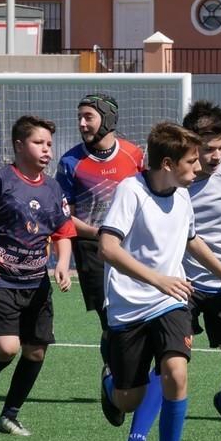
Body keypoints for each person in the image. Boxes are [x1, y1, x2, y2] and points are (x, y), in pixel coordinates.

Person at [97, 122, 221, 441]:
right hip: (128, 307)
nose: (199, 168)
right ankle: (110, 383)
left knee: (175, 371)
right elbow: (107, 248)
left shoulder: (182, 194)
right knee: (129, 398)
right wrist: (157, 279)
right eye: (192, 161)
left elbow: (192, 241)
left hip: (170, 302)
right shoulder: (131, 191)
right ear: (168, 163)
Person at [0, 115, 75, 437]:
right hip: (0, 279)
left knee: (36, 351)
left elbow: (64, 231)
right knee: (7, 348)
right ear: (19, 144)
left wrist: (63, 262)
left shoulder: (53, 189)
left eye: (49, 144)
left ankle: (10, 414)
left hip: (37, 282)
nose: (47, 150)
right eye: (39, 143)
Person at [56, 93, 144, 381]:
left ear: (108, 118)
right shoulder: (70, 162)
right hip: (92, 250)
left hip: (132, 248)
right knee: (110, 320)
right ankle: (115, 374)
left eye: (88, 117)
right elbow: (63, 214)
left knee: (136, 316)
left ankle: (125, 373)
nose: (82, 123)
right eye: (79, 117)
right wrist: (99, 233)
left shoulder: (135, 155)